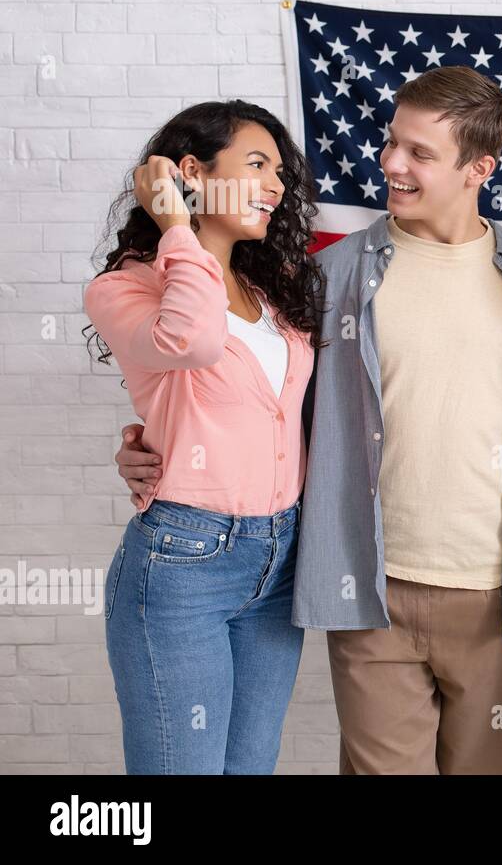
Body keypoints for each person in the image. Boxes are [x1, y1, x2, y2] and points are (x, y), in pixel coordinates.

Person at [107, 69, 502, 775]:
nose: (390, 163)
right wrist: (151, 445)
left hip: (500, 598)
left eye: (419, 153)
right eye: (389, 143)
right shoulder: (331, 277)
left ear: (481, 169)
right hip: (369, 588)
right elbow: (226, 375)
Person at [84, 100, 325, 773]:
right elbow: (191, 338)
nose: (276, 187)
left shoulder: (272, 289)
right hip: (184, 563)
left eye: (279, 171)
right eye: (256, 165)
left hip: (280, 560)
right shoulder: (126, 287)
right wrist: (175, 223)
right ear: (191, 171)